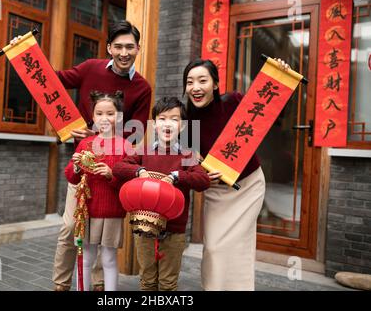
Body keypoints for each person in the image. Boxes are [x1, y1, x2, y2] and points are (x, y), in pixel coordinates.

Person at [12, 20, 152, 291]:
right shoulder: (90, 68)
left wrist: (104, 141)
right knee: (70, 229)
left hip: (112, 171)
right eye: (118, 46)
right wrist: (27, 55)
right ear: (110, 47)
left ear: (138, 48)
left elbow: (137, 134)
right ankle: (62, 283)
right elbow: (53, 82)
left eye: (130, 47)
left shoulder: (141, 88)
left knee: (101, 235)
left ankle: (98, 284)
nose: (124, 53)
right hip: (82, 166)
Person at [183, 58, 289, 291]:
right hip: (217, 191)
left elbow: (269, 106)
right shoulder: (187, 122)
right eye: (190, 82)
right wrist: (200, 171)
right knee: (214, 247)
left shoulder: (234, 101)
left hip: (248, 186)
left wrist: (281, 74)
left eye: (203, 80)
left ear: (215, 84)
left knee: (239, 246)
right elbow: (187, 163)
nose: (196, 87)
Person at [113, 96, 210, 291]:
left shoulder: (188, 155)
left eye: (174, 119)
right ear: (154, 124)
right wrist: (138, 171)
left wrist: (177, 176)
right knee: (147, 281)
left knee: (168, 284)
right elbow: (118, 167)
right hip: (144, 226)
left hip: (175, 230)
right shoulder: (144, 151)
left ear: (182, 127)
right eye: (162, 118)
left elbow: (203, 181)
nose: (168, 124)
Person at [64, 90, 131, 291]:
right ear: (92, 117)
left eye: (110, 113)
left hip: (112, 211)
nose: (104, 118)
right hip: (88, 210)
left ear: (118, 116)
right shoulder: (85, 143)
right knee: (86, 257)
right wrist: (76, 166)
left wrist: (111, 175)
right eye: (99, 113)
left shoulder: (126, 146)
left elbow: (128, 183)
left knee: (109, 258)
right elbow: (71, 176)